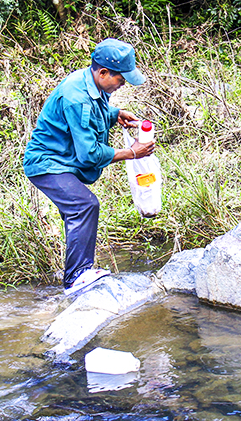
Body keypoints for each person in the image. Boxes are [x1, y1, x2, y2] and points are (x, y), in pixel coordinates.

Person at [23, 38, 155, 296]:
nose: (123, 84)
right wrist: (131, 152)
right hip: (47, 163)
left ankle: (78, 271)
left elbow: (93, 112)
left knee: (78, 209)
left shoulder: (89, 81)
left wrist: (114, 113)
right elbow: (89, 154)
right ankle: (76, 278)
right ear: (103, 72)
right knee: (84, 206)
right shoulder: (76, 97)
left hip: (62, 159)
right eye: (121, 79)